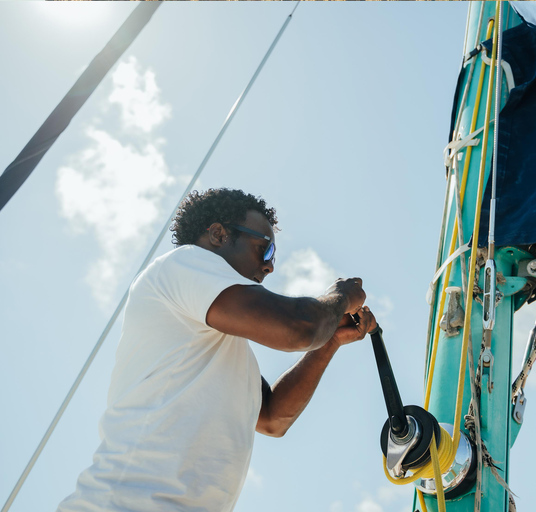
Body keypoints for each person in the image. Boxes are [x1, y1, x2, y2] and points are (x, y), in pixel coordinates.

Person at [58, 188, 376, 512]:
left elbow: (273, 417)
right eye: (264, 250)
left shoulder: (224, 349)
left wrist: (331, 341)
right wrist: (340, 296)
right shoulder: (184, 264)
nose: (270, 267)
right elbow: (299, 327)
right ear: (218, 235)